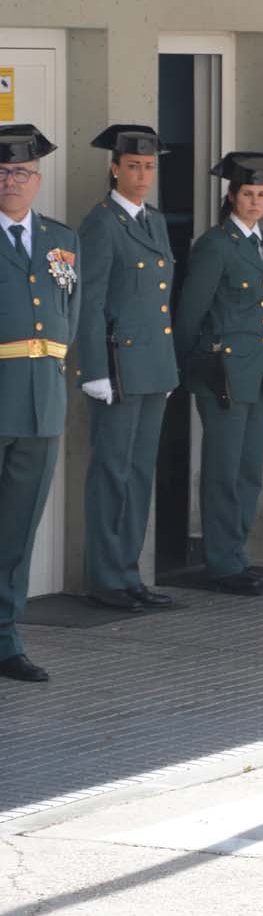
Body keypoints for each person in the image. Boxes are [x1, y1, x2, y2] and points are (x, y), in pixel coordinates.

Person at [77, 125, 178, 611]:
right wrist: (94, 369)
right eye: (134, 166)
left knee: (139, 473)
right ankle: (105, 577)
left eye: (150, 167)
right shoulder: (100, 224)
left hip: (152, 367)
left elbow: (158, 302)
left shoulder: (153, 221)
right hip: (116, 368)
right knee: (111, 472)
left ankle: (129, 572)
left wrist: (166, 365)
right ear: (114, 168)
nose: (142, 175)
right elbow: (89, 301)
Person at [174, 152, 263, 595]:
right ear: (232, 197)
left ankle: (236, 553)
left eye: (262, 195)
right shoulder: (216, 244)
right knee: (222, 469)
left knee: (248, 469)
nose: (256, 202)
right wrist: (182, 368)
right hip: (221, 372)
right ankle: (222, 562)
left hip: (257, 372)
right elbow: (190, 313)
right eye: (248, 194)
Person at [0, 125, 80, 684]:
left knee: (18, 529)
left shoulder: (61, 237)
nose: (12, 181)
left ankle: (6, 638)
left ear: (38, 179)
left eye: (21, 172)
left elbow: (70, 312)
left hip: (40, 401)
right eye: (3, 173)